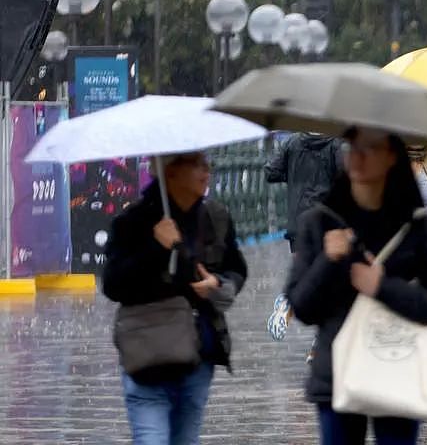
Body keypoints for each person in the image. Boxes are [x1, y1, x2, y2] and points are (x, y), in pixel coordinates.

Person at [286, 127, 427, 445]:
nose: (357, 155)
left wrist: (383, 287)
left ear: (391, 156)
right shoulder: (320, 221)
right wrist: (328, 261)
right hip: (336, 373)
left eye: (369, 147)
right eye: (352, 146)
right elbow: (301, 306)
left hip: (398, 365)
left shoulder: (416, 226)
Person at [103, 152, 248, 445]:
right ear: (169, 171)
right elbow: (114, 285)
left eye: (207, 164)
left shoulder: (215, 218)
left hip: (198, 355)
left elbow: (237, 269)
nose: (206, 171)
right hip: (146, 354)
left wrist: (217, 283)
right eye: (196, 164)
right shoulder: (132, 222)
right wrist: (156, 247)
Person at [265, 132, 343, 341]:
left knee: (307, 272)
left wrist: (294, 174)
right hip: (326, 222)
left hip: (298, 222)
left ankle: (287, 302)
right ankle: (320, 342)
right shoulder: (335, 144)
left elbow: (271, 171)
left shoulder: (292, 142)